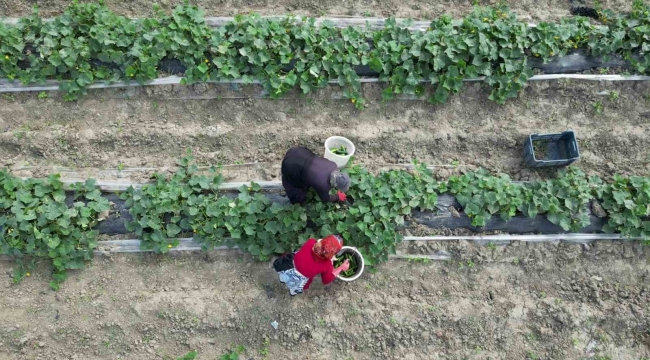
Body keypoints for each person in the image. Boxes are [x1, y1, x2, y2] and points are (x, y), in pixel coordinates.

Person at [273, 235, 350, 296]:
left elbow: (318, 248)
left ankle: (282, 279)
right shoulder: (327, 265)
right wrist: (340, 268)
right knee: (294, 286)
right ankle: (292, 292)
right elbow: (326, 280)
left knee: (284, 275)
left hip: (288, 265)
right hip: (299, 279)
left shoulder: (311, 242)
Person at [281, 146, 350, 205]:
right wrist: (337, 197)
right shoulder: (323, 185)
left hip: (298, 152)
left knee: (308, 178)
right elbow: (325, 199)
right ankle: (296, 202)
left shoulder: (334, 165)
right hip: (290, 167)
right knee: (296, 192)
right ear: (335, 185)